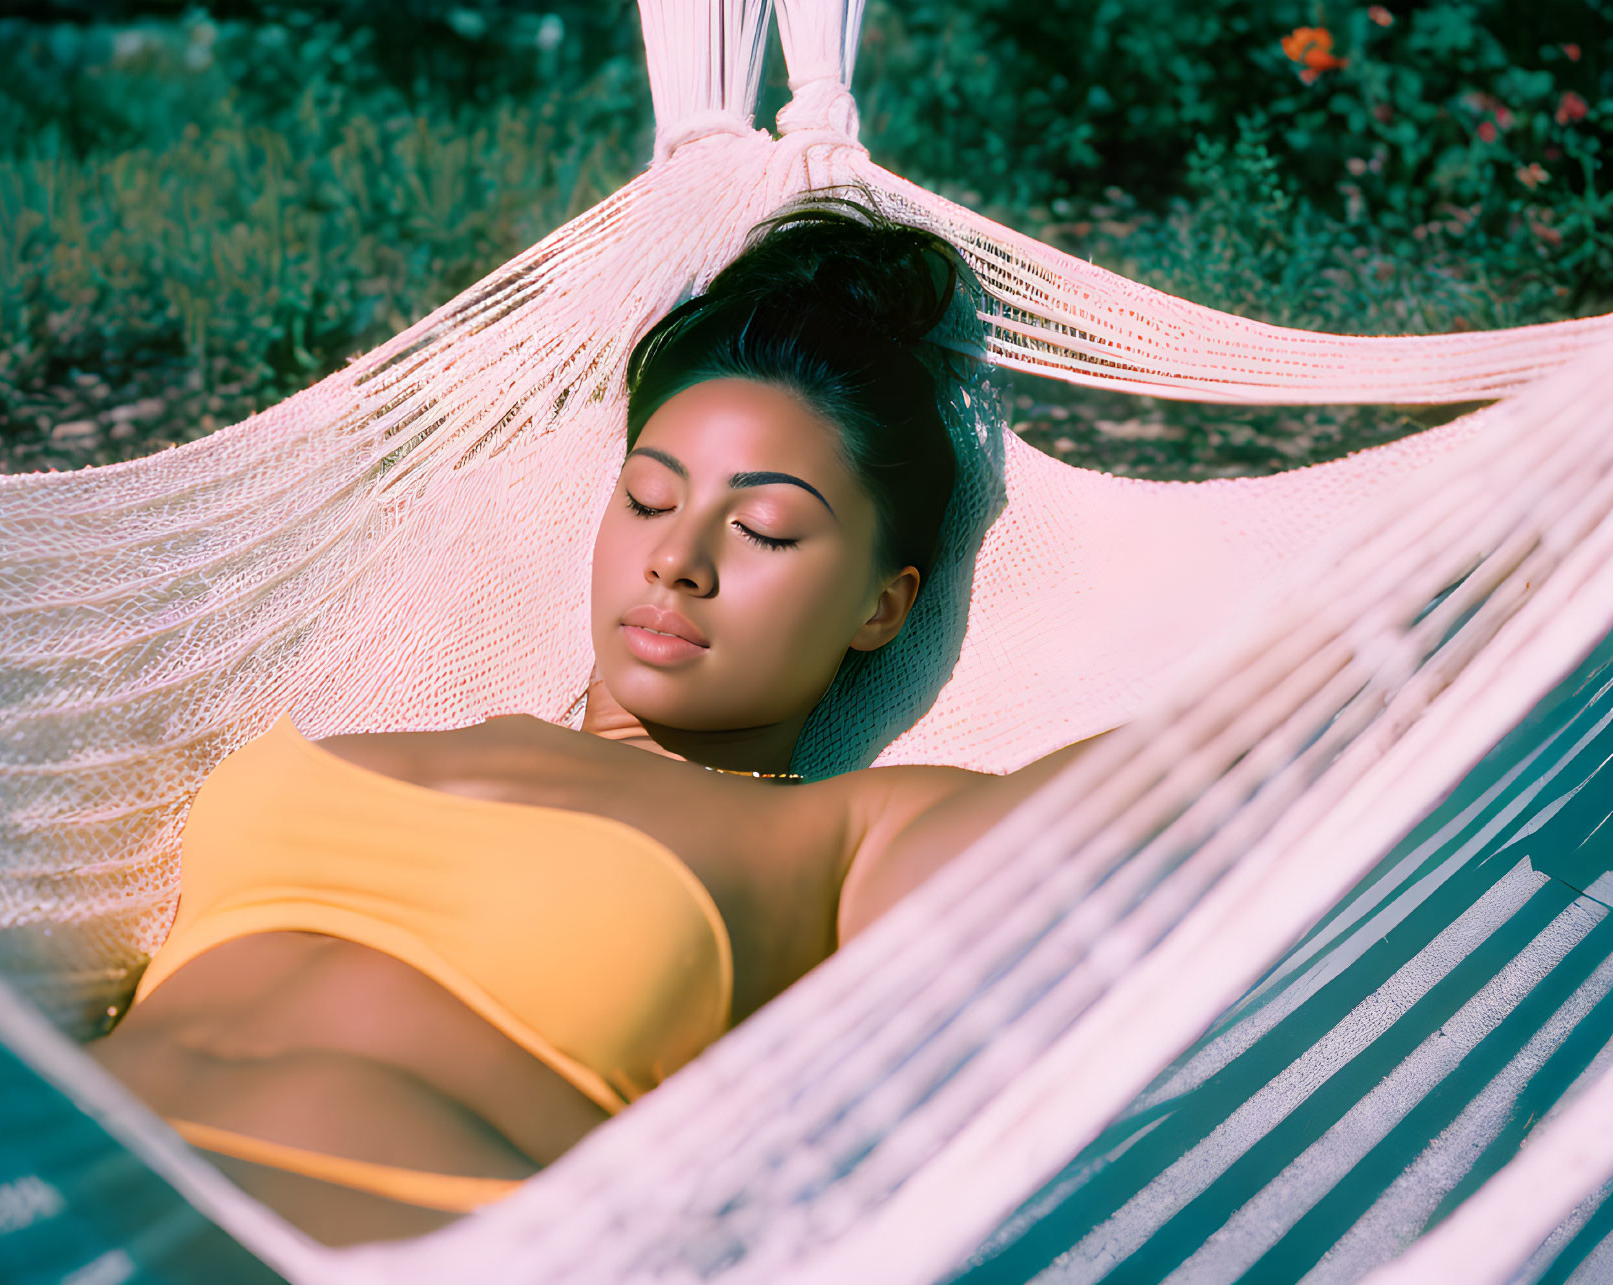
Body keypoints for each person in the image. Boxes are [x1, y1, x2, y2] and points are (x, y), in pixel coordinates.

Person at [85, 196, 1099, 1247]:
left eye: (765, 528)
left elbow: (1184, 780)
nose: (675, 558)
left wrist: (1292, 659)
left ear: (881, 605)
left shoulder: (841, 833)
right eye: (650, 500)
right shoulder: (367, 716)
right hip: (42, 1174)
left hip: (404, 1248)